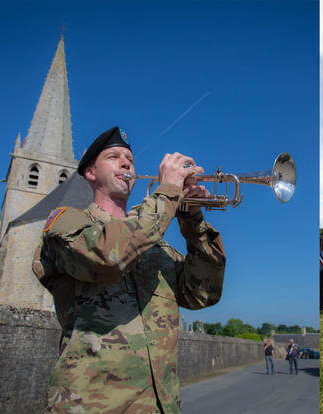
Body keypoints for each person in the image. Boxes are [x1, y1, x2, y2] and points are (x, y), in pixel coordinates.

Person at [32, 126, 226, 412]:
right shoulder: (65, 222)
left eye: (130, 159)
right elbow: (108, 257)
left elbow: (203, 294)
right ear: (90, 173)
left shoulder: (156, 247)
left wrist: (192, 220)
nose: (127, 163)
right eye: (114, 157)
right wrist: (169, 192)